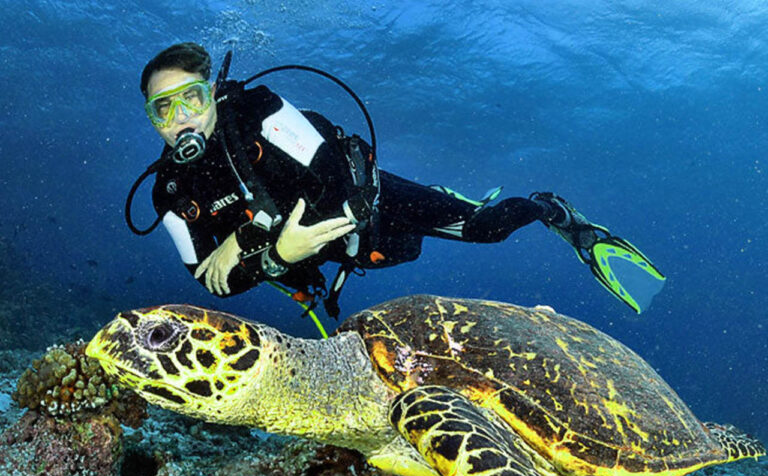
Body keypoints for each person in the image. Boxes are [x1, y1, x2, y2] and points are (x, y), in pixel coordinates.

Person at [136, 42, 664, 317]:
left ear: (212, 95)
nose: (182, 118)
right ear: (152, 120)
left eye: (192, 98)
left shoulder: (257, 110)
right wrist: (280, 257)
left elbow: (330, 179)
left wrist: (249, 239)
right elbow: (211, 283)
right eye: (165, 109)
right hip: (341, 255)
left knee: (486, 229)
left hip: (374, 205)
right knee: (393, 255)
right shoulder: (169, 194)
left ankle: (554, 212)